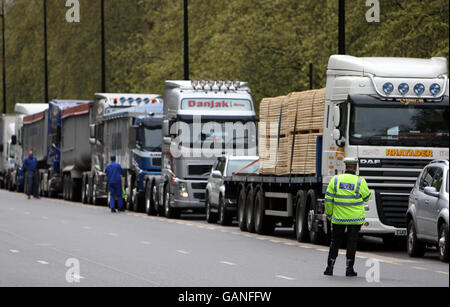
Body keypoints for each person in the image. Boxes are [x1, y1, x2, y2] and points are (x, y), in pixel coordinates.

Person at [324, 157, 371, 277]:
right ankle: (349, 269)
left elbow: (328, 200)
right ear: (355, 168)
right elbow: (367, 198)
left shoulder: (335, 180)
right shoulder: (360, 181)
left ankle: (330, 268)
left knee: (335, 242)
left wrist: (330, 214)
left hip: (338, 218)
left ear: (345, 167)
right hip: (355, 219)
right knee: (352, 243)